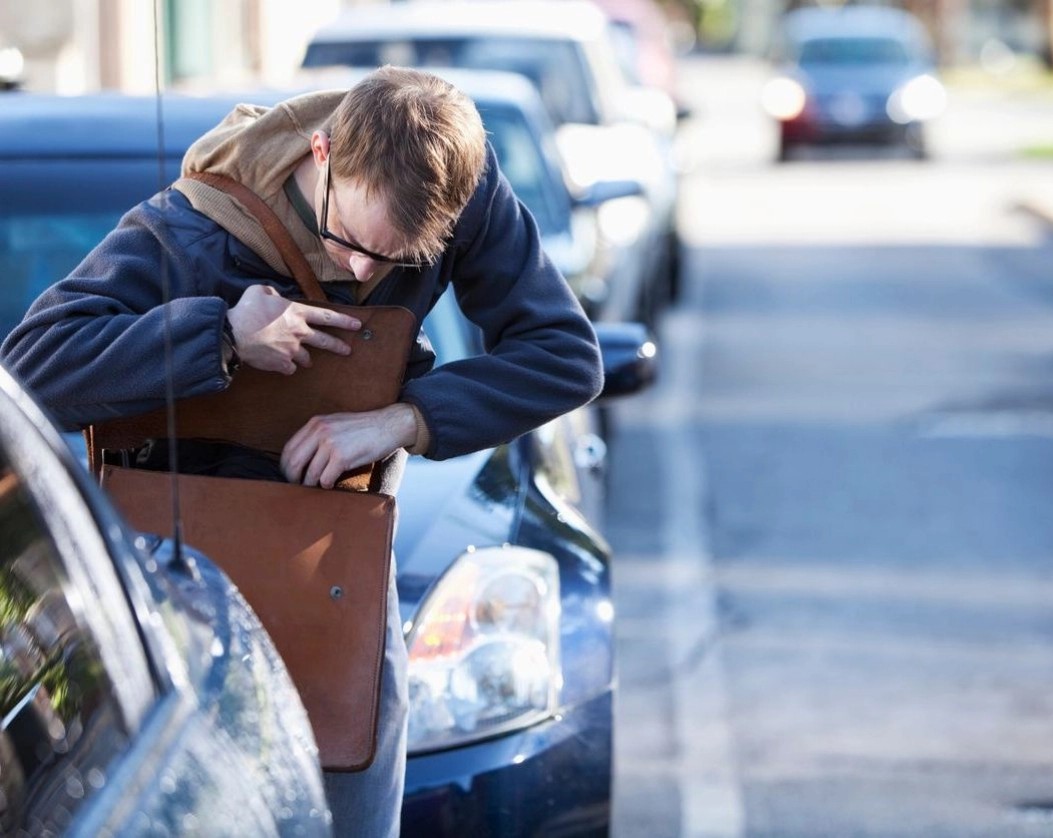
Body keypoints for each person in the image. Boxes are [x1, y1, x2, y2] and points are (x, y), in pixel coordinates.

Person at [0, 66, 603, 836]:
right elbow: (30, 368)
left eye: (396, 261)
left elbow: (565, 355)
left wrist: (402, 420)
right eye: (350, 240)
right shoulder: (187, 232)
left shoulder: (464, 189)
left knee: (355, 792)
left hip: (337, 562)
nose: (361, 272)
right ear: (321, 152)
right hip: (182, 568)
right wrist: (220, 333)